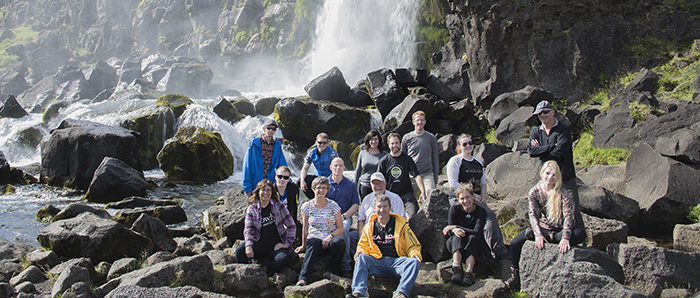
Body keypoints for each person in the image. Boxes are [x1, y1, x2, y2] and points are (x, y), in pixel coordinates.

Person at [506, 160, 587, 289]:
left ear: (557, 176)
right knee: (515, 242)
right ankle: (515, 275)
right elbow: (533, 215)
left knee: (580, 234)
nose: (550, 177)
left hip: (559, 230)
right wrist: (538, 234)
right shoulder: (534, 192)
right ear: (542, 173)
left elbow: (568, 217)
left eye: (553, 175)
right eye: (547, 173)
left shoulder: (564, 192)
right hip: (543, 229)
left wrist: (565, 237)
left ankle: (553, 239)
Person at [445, 134, 509, 260]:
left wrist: (483, 198)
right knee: (489, 215)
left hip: (476, 198)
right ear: (459, 147)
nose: (468, 146)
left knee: (486, 214)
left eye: (470, 143)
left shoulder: (478, 161)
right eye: (465, 144)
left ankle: (492, 248)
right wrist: (472, 196)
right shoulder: (456, 161)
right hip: (461, 198)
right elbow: (453, 183)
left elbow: (483, 182)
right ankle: (498, 250)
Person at [346, 194, 422, 298]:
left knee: (414, 262)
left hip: (396, 262)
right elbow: (362, 244)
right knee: (361, 258)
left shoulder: (401, 225)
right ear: (374, 208)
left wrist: (414, 253)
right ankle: (359, 293)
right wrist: (360, 251)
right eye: (379, 207)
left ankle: (401, 293)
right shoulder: (369, 226)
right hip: (377, 262)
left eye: (385, 207)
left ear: (390, 208)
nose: (382, 210)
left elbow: (413, 244)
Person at [527, 100, 584, 230]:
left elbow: (562, 151)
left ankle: (580, 242)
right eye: (539, 113)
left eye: (545, 112)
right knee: (550, 211)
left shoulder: (563, 129)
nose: (542, 115)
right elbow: (531, 151)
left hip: (565, 176)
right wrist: (552, 146)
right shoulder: (536, 132)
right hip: (547, 179)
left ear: (553, 112)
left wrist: (541, 149)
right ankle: (557, 238)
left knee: (573, 211)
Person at [235, 179, 296, 276]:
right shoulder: (252, 209)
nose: (266, 193)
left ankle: (264, 273)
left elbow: (291, 225)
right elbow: (248, 230)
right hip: (258, 242)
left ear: (272, 192)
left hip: (275, 243)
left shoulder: (278, 205)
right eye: (263, 190)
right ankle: (244, 274)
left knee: (283, 259)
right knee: (239, 251)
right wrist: (249, 246)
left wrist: (287, 243)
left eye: (268, 190)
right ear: (258, 192)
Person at [295, 176, 346, 286]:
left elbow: (340, 228)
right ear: (313, 189)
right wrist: (303, 245)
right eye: (318, 188)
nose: (321, 190)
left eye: (324, 188)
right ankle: (303, 278)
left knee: (339, 242)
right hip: (314, 239)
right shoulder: (306, 206)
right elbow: (305, 227)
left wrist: (330, 237)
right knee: (313, 243)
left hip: (329, 239)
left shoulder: (333, 205)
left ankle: (331, 272)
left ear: (327, 190)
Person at [442, 183, 486, 286]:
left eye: (468, 197)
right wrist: (454, 230)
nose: (465, 201)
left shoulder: (481, 212)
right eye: (462, 198)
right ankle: (456, 268)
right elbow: (448, 231)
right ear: (458, 199)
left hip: (474, 244)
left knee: (472, 238)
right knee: (457, 235)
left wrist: (456, 227)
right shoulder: (454, 210)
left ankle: (468, 272)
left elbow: (477, 232)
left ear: (473, 197)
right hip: (456, 244)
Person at [377, 133, 425, 220]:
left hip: (406, 194)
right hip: (390, 195)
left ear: (400, 144)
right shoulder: (384, 161)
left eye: (397, 143)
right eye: (392, 143)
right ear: (388, 145)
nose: (395, 145)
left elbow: (416, 175)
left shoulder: (407, 159)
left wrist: (423, 191)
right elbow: (378, 180)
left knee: (413, 216)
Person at [326, 157, 360, 277]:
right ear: (330, 167)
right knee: (351, 236)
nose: (338, 168)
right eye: (335, 165)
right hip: (327, 218)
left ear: (344, 168)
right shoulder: (325, 183)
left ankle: (345, 266)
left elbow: (355, 204)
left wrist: (344, 216)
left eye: (340, 165)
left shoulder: (350, 184)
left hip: (345, 216)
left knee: (343, 230)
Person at [242, 119, 288, 196]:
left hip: (269, 185)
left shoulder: (277, 146)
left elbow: (282, 166)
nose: (271, 130)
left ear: (275, 131)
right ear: (264, 129)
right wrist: (247, 188)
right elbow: (247, 166)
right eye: (268, 128)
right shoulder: (254, 144)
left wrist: (288, 181)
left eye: (273, 129)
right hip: (255, 184)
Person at [401, 111, 439, 196]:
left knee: (430, 197)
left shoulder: (431, 138)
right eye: (417, 120)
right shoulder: (407, 138)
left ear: (425, 122)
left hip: (427, 174)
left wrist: (435, 179)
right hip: (412, 175)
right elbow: (402, 159)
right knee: (411, 201)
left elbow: (435, 159)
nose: (419, 122)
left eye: (422, 120)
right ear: (413, 122)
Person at [300, 132, 339, 199]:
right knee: (300, 181)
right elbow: (305, 168)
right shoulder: (312, 153)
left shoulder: (332, 153)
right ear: (316, 142)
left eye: (324, 143)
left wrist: (335, 180)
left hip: (329, 177)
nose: (322, 145)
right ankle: (313, 199)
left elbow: (337, 168)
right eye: (320, 142)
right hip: (317, 176)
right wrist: (302, 181)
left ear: (328, 143)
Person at [354, 130, 388, 199]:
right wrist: (354, 185)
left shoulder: (385, 155)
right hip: (365, 185)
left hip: (379, 186)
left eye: (376, 139)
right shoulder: (363, 153)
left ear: (379, 140)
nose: (373, 142)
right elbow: (358, 170)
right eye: (371, 139)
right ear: (368, 141)